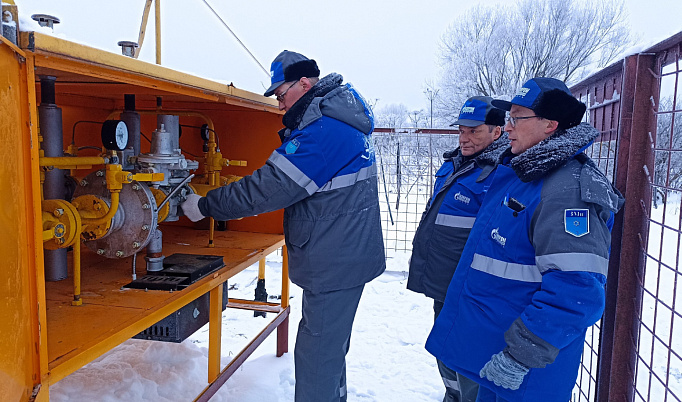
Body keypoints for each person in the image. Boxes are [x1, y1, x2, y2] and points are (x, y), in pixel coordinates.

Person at [181, 50, 386, 402]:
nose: (279, 105)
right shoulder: (337, 121)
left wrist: (204, 204)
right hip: (343, 257)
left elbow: (266, 189)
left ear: (303, 84)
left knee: (317, 357)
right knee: (329, 350)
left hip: (335, 264)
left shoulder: (322, 133)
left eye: (280, 95)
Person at [425, 77, 624, 402]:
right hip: (496, 356)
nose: (508, 127)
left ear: (550, 125)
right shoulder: (523, 175)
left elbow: (576, 291)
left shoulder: (567, 192)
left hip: (527, 373)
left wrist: (520, 355)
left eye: (518, 118)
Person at [407, 96, 508, 402]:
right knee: (444, 342)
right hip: (443, 278)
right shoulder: (456, 164)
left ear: (497, 132)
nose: (464, 137)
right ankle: (452, 394)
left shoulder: (502, 172)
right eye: (461, 130)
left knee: (470, 350)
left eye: (474, 131)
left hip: (472, 284)